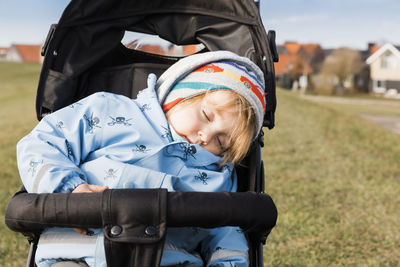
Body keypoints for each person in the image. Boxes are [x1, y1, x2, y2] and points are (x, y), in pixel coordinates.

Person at [16, 51, 266, 267]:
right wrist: (70, 189)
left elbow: (225, 228)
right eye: (206, 116)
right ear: (178, 93)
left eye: (221, 141)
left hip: (171, 259)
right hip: (77, 251)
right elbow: (43, 142)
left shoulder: (218, 175)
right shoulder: (107, 110)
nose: (205, 136)